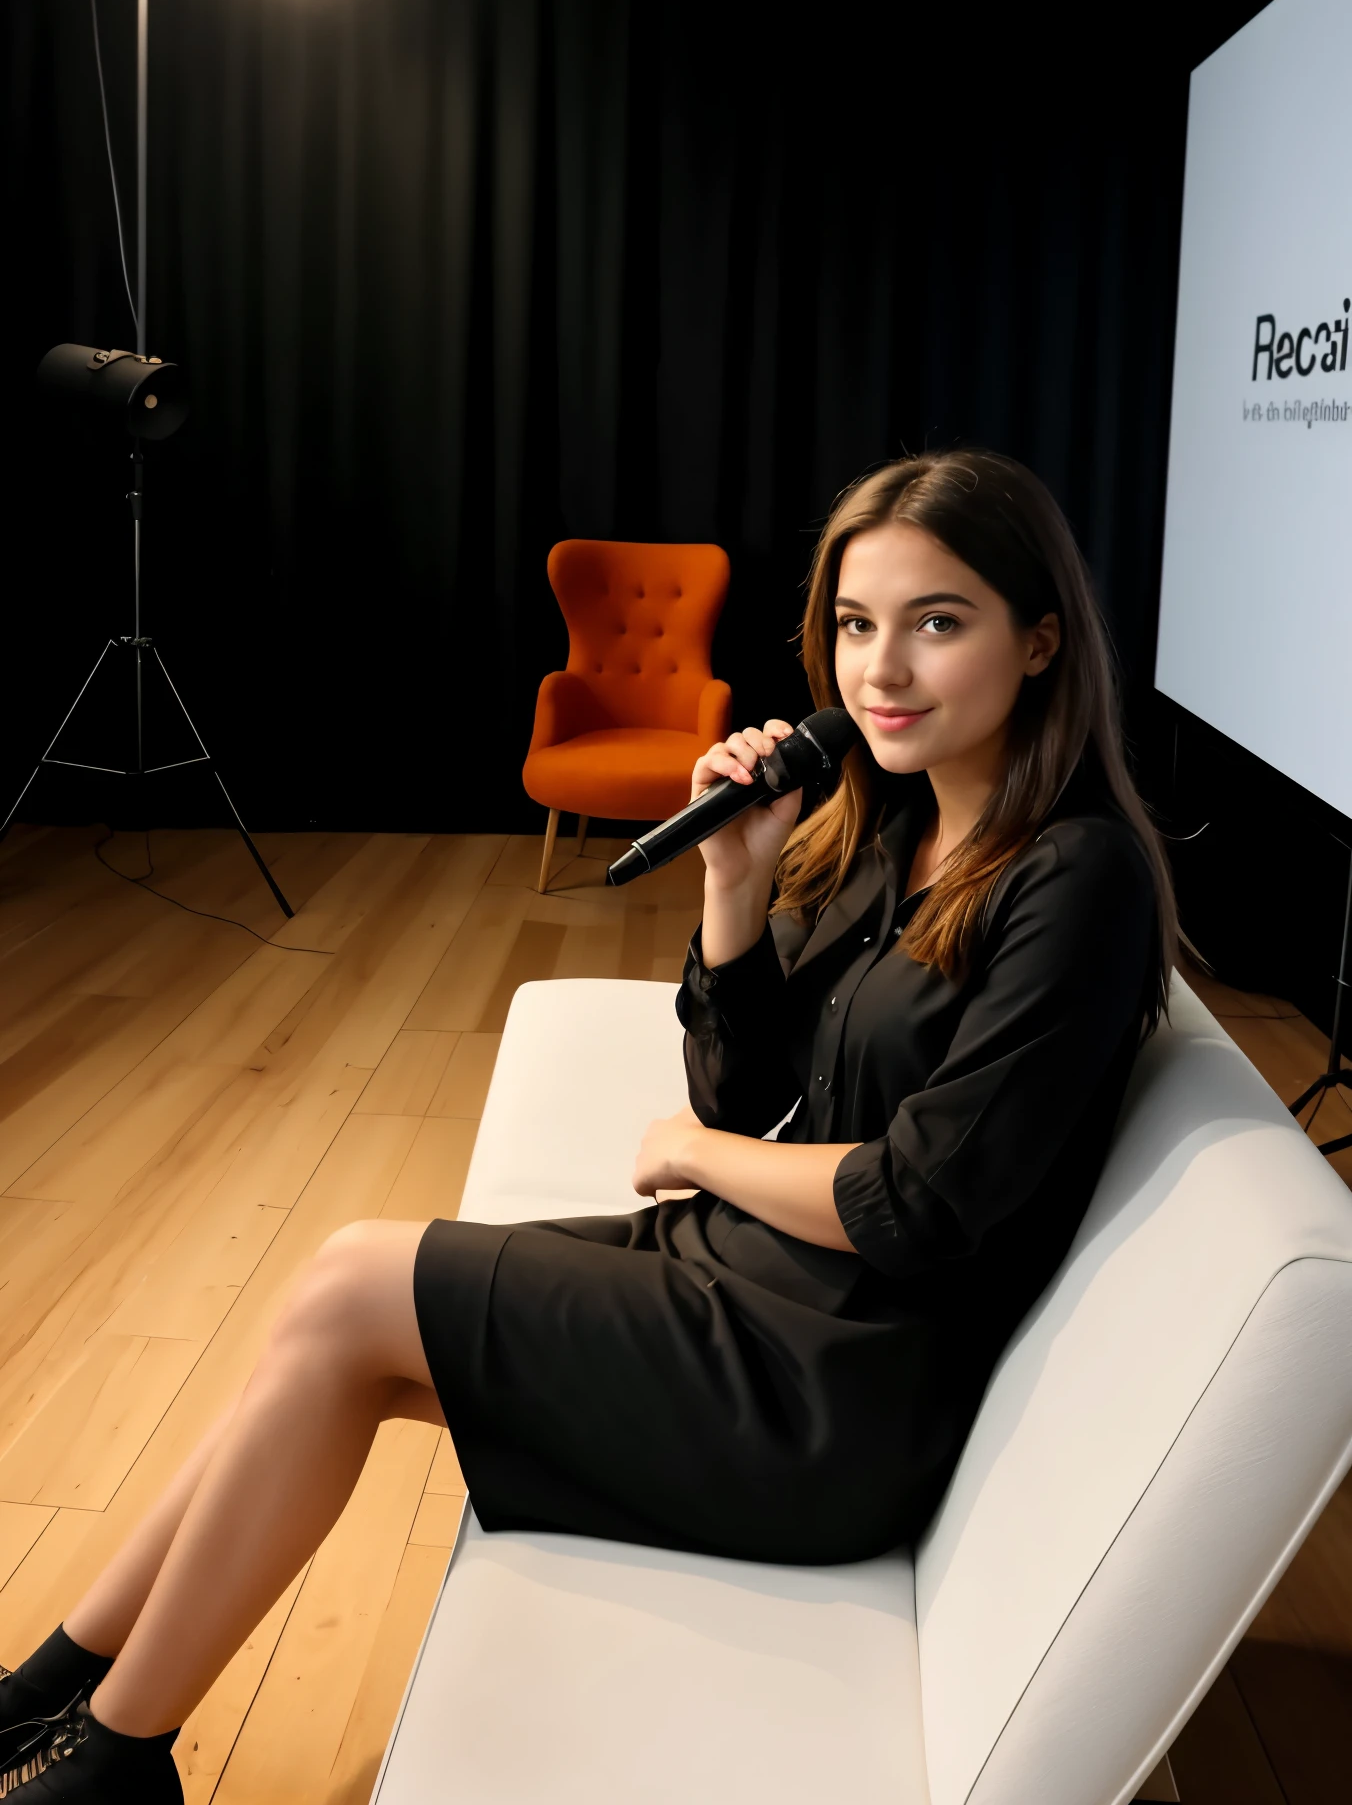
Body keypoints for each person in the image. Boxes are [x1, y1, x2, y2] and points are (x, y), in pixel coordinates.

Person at [0, 450, 1177, 1801]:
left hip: (833, 1389)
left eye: (938, 622)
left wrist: (690, 1159)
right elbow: (746, 1086)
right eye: (858, 626)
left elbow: (915, 1202)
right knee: (334, 1327)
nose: (883, 671)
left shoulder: (1077, 879)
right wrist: (732, 880)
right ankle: (59, 1699)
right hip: (749, 1282)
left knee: (353, 1290)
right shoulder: (897, 824)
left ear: (1040, 642)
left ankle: (107, 1761)